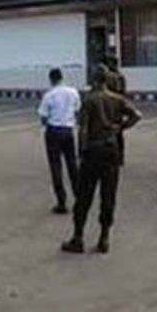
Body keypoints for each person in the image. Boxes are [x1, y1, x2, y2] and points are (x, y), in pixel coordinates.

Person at [62, 67, 142, 254]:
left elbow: (83, 129)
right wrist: (120, 128)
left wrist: (80, 152)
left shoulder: (90, 100)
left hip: (94, 150)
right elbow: (136, 115)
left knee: (84, 196)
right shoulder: (116, 99)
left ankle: (78, 237)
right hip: (112, 149)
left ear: (94, 79)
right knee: (108, 195)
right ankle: (104, 237)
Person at [37, 68, 81, 214]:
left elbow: (43, 116)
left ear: (51, 79)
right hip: (68, 131)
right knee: (72, 165)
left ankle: (61, 201)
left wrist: (48, 123)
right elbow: (77, 111)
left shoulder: (49, 95)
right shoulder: (73, 92)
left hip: (54, 131)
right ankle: (79, 197)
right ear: (62, 77)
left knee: (56, 167)